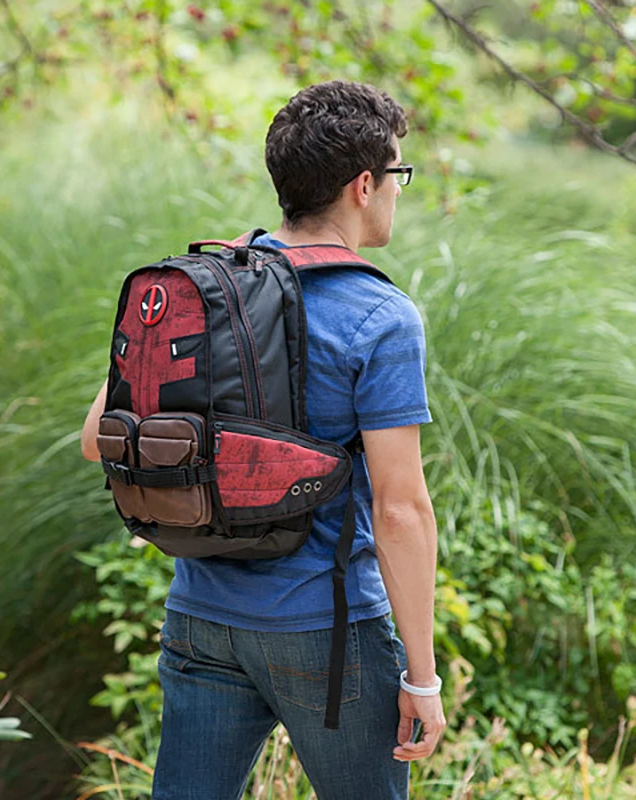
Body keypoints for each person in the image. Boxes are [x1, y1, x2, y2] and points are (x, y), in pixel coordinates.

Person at [81, 79, 445, 800]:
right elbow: (401, 511)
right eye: (398, 175)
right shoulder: (381, 315)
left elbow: (96, 438)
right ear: (363, 185)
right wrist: (421, 677)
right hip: (326, 631)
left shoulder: (203, 284)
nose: (399, 191)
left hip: (200, 618)